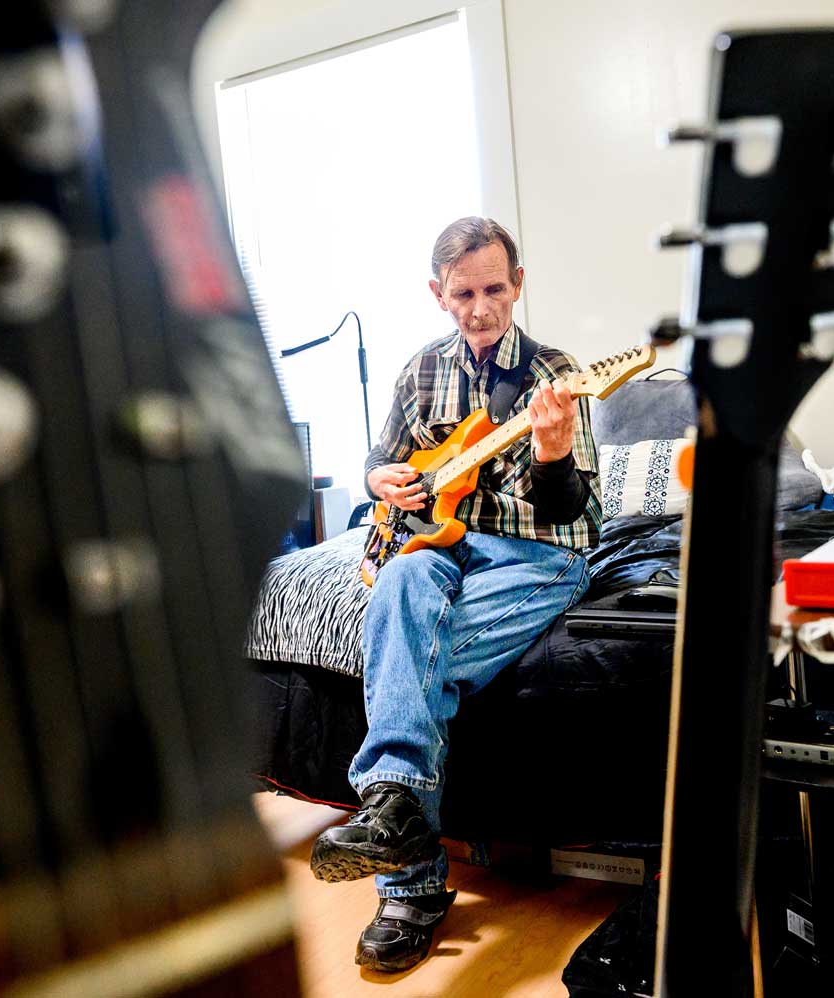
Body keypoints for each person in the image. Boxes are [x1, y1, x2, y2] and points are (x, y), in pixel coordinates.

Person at [309, 216, 602, 972]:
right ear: (438, 294)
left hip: (538, 554)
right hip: (444, 547)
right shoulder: (419, 372)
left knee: (406, 656)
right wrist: (379, 478)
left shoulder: (556, 375)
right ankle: (401, 824)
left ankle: (407, 881)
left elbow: (573, 512)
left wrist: (552, 452)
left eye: (494, 289)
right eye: (464, 292)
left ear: (519, 285)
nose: (481, 307)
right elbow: (384, 456)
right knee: (401, 579)